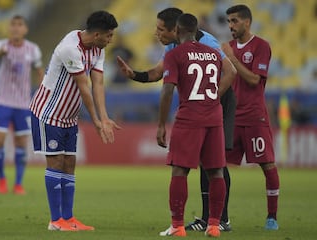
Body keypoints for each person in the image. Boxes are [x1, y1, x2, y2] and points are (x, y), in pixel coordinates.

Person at [117, 7, 236, 232]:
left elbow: (229, 73)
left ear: (176, 29)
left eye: (161, 29)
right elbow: (157, 72)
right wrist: (135, 75)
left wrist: (211, 97)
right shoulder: (175, 46)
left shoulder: (207, 43)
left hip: (216, 100)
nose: (156, 33)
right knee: (213, 166)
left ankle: (214, 219)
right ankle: (211, 222)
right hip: (206, 106)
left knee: (189, 168)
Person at [29, 10, 120, 231]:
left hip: (69, 116)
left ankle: (69, 219)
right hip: (48, 112)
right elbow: (84, 87)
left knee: (70, 164)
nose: (110, 40)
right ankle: (55, 220)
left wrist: (105, 118)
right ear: (97, 34)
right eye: (108, 36)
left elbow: (98, 83)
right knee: (56, 162)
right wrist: (95, 121)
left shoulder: (98, 49)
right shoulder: (70, 47)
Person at [157, 13, 226, 237]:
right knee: (216, 172)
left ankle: (177, 226)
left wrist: (161, 125)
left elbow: (167, 89)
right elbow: (229, 73)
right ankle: (214, 225)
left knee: (180, 170)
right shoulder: (214, 54)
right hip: (214, 117)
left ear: (177, 31)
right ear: (197, 31)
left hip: (189, 118)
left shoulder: (175, 54)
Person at [221, 4, 280, 230]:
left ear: (247, 22)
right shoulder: (229, 47)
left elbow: (255, 80)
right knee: (218, 166)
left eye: (234, 21)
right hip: (232, 118)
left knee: (267, 165)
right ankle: (221, 217)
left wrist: (233, 59)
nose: (230, 26)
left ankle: (271, 217)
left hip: (254, 117)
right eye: (228, 21)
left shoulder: (261, 46)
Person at [0, 15, 44, 195]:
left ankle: (18, 183)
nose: (16, 28)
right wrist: (3, 53)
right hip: (2, 101)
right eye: (13, 25)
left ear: (25, 29)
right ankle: (1, 178)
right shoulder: (1, 46)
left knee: (21, 143)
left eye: (19, 25)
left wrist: (42, 93)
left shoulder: (33, 49)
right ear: (9, 28)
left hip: (23, 104)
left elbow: (39, 71)